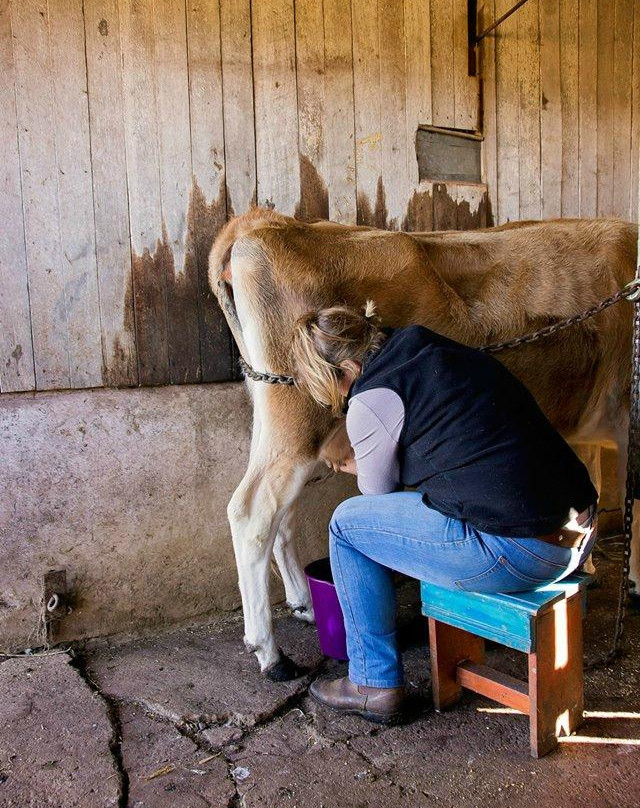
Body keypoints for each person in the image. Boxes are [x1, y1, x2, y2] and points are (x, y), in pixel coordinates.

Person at [289, 302, 598, 725]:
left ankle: (372, 682)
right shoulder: (422, 342)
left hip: (525, 552)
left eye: (331, 385)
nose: (337, 398)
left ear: (346, 367)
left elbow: (377, 495)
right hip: (580, 531)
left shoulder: (371, 399)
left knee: (346, 525)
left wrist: (356, 462)